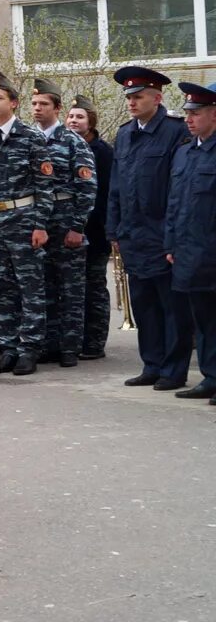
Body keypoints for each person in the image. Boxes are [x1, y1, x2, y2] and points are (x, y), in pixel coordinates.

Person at [107, 66, 195, 391]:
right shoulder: (125, 134)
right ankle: (152, 364)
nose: (131, 101)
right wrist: (112, 229)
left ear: (157, 98)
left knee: (172, 307)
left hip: (161, 232)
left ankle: (173, 370)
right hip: (133, 234)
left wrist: (173, 234)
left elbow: (178, 187)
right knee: (144, 306)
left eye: (138, 96)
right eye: (128, 96)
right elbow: (116, 187)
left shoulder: (174, 132)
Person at [0, 73, 57, 377]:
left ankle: (29, 349)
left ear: (14, 103)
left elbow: (45, 184)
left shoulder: (31, 137)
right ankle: (8, 348)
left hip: (23, 219)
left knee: (29, 286)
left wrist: (40, 224)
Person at [29, 78, 96, 366]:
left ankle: (69, 347)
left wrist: (77, 227)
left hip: (65, 218)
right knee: (42, 286)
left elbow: (87, 187)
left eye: (43, 104)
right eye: (33, 104)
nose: (37, 109)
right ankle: (48, 344)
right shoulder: (28, 138)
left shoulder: (72, 141)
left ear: (57, 107)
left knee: (70, 289)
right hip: (36, 221)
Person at [162, 82, 216, 402]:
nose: (189, 119)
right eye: (187, 113)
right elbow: (174, 203)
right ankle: (211, 376)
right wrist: (170, 244)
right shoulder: (184, 152)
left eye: (196, 113)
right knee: (204, 320)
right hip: (190, 251)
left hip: (212, 250)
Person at [67, 96, 115, 361]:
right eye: (71, 117)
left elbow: (105, 193)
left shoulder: (102, 151)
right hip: (70, 230)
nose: (74, 121)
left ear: (91, 122)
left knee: (94, 287)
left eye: (80, 117)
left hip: (95, 230)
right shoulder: (63, 146)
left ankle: (95, 341)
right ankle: (75, 337)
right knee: (74, 289)